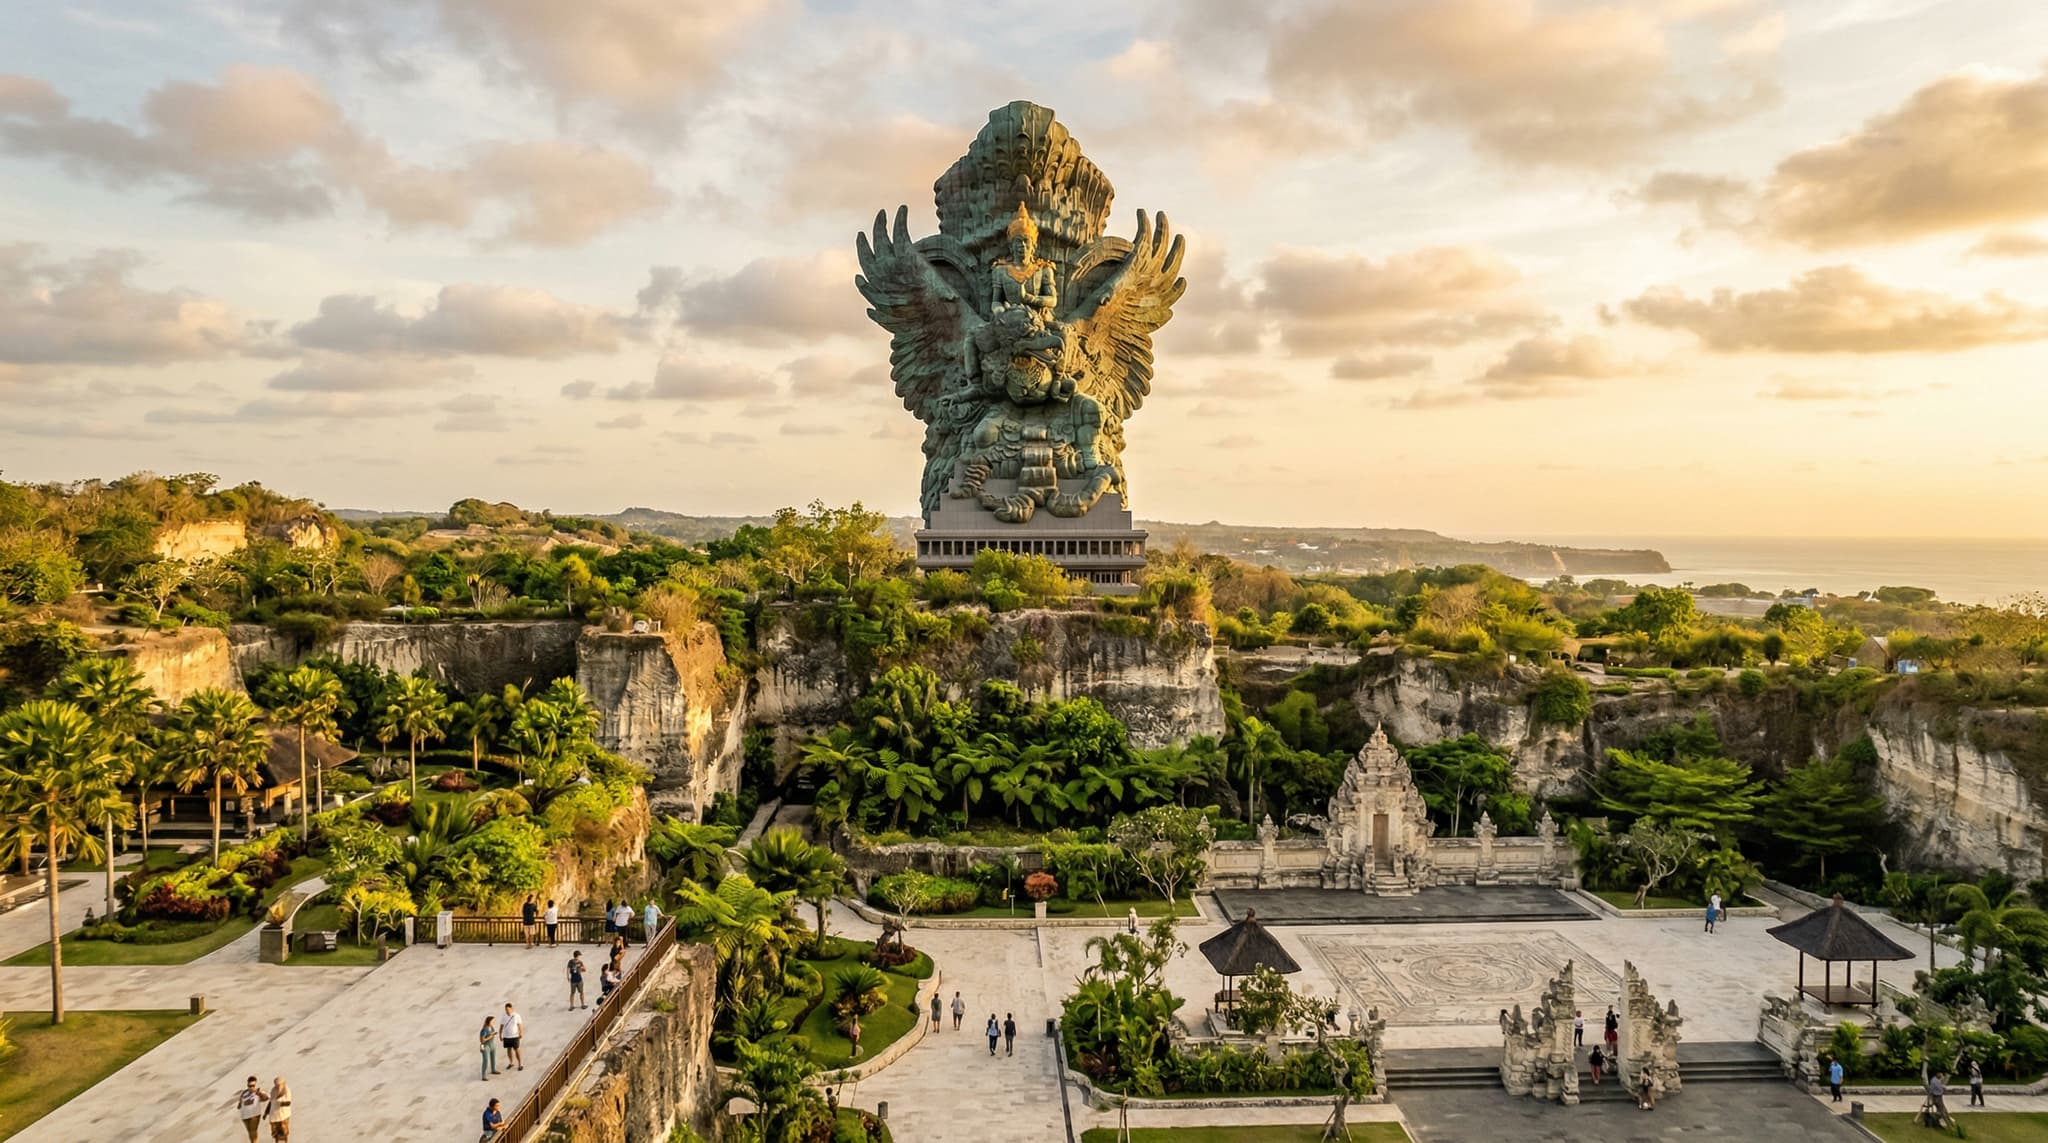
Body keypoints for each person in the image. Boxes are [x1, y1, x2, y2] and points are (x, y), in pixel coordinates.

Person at [233, 1075, 269, 1142]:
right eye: (249, 1086)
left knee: (253, 1132)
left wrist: (258, 1093)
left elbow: (266, 1098)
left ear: (256, 1084)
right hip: (245, 1116)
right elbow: (239, 1105)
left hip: (254, 1115)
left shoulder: (258, 1091)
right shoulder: (244, 1093)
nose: (251, 1087)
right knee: (250, 1133)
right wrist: (240, 1104)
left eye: (253, 1085)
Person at [501, 1003, 525, 1071]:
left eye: (508, 1009)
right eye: (506, 1009)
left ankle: (520, 1064)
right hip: (506, 1036)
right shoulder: (504, 1016)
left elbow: (519, 1025)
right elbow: (501, 1025)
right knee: (508, 1050)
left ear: (511, 1009)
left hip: (515, 1036)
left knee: (517, 1050)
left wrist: (520, 1032)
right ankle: (511, 1063)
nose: (507, 1011)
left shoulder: (516, 1016)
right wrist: (500, 1034)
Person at [478, 1016, 500, 1081]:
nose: (493, 1022)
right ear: (489, 1021)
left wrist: (493, 1034)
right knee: (485, 1060)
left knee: (493, 1058)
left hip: (492, 1045)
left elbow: (492, 1034)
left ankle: (493, 1070)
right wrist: (490, 1037)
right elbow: (482, 1041)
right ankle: (483, 1076)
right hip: (485, 1046)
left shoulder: (492, 1027)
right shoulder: (484, 1029)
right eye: (492, 1021)